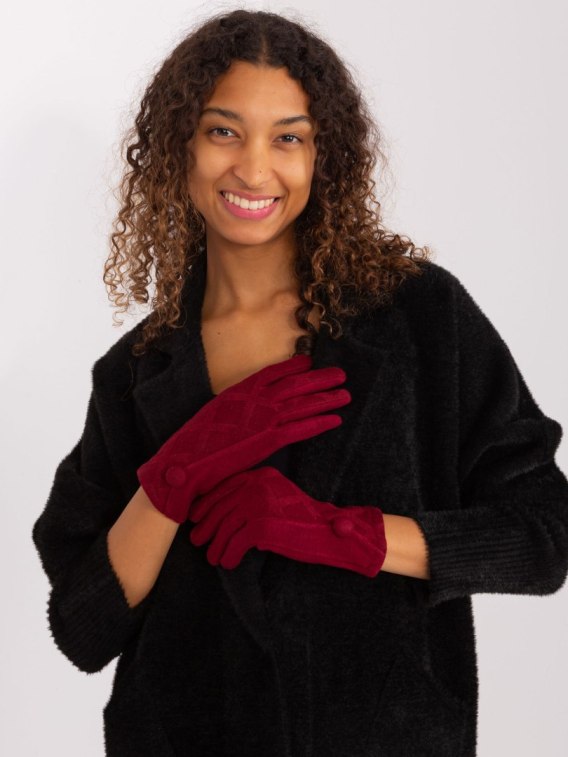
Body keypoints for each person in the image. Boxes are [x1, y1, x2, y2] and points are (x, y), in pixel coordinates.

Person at [31, 9, 568, 757]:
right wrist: (175, 473)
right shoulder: (134, 370)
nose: (254, 170)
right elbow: (83, 628)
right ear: (179, 147)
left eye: (288, 137)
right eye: (223, 131)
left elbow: (544, 537)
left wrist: (344, 533)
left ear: (323, 156)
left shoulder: (420, 316)